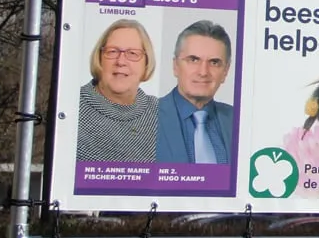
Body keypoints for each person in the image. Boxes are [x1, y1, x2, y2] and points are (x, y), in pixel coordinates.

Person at [76, 19, 159, 162]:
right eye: (112, 51)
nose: (120, 62)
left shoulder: (162, 113)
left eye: (132, 53)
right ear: (99, 58)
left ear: (146, 62)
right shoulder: (72, 108)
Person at [155, 20, 235, 164]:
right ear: (175, 66)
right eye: (193, 60)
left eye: (214, 62)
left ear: (225, 71)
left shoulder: (240, 121)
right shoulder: (142, 119)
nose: (203, 72)